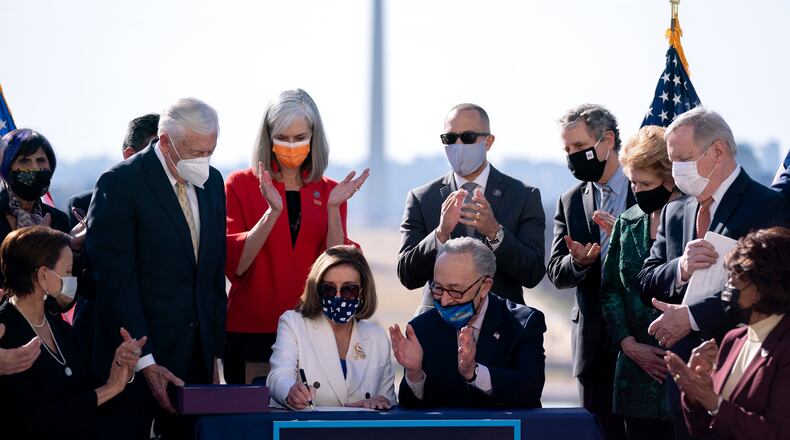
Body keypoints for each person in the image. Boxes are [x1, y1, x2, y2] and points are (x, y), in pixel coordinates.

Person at [636, 107, 790, 439]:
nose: (676, 170)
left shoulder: (767, 205)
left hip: (744, 374)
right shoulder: (676, 211)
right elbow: (645, 279)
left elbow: (770, 290)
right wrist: (681, 268)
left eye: (683, 159)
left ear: (717, 151)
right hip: (683, 379)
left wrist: (691, 318)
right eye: (671, 160)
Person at [87, 97, 227, 439]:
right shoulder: (120, 184)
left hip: (195, 369)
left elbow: (211, 279)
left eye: (210, 151)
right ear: (165, 142)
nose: (203, 161)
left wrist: (215, 358)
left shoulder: (213, 183)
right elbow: (115, 284)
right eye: (195, 152)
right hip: (134, 368)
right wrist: (146, 363)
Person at [224, 89, 368, 385]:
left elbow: (337, 267)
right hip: (250, 332)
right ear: (268, 136)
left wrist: (332, 209)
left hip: (310, 330)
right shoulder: (239, 185)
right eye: (283, 137)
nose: (292, 145)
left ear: (314, 137)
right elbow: (236, 265)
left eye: (300, 137)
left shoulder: (330, 192)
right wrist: (272, 212)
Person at [0, 226, 145, 439]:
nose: (72, 279)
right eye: (68, 271)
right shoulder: (5, 331)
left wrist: (122, 370)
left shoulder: (61, 329)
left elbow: (102, 402)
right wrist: (109, 390)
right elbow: (32, 420)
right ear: (43, 275)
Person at [397, 103, 545, 311]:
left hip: (502, 326)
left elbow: (533, 273)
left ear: (488, 141)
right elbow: (407, 275)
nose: (458, 145)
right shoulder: (422, 198)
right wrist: (440, 234)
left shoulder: (523, 196)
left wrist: (496, 233)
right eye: (449, 139)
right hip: (439, 325)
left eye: (467, 137)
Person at [547, 104, 633, 440]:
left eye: (580, 147)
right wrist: (580, 263)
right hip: (593, 346)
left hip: (643, 342)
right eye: (567, 150)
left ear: (607, 140)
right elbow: (556, 271)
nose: (572, 157)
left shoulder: (648, 189)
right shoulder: (569, 201)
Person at [664, 227, 790, 439]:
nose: (727, 286)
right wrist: (695, 393)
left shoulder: (785, 347)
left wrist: (713, 402)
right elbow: (703, 429)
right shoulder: (734, 339)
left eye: (735, 279)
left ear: (761, 288)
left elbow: (778, 433)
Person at [391, 237, 545, 408]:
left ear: (485, 286)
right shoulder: (421, 329)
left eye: (456, 291)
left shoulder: (523, 324)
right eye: (438, 288)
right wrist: (414, 373)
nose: (445, 301)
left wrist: (474, 373)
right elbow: (410, 408)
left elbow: (530, 390)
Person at [600, 126, 678, 439]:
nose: (636, 190)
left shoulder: (697, 217)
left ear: (670, 179)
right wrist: (628, 344)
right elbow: (611, 291)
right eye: (632, 182)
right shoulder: (628, 222)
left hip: (681, 373)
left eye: (645, 183)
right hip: (634, 379)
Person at [67, 113, 159, 352]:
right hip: (103, 332)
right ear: (129, 155)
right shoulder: (87, 203)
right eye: (154, 153)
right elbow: (89, 279)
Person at [267, 245, 396, 409]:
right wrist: (290, 392)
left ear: (362, 293)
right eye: (328, 289)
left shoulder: (377, 337)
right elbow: (278, 375)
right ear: (317, 290)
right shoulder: (293, 323)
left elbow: (389, 401)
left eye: (349, 290)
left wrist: (381, 402)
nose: (338, 297)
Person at [0, 129, 84, 296]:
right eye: (24, 161)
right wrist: (35, 245)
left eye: (40, 160)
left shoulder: (57, 220)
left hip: (44, 320)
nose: (34, 168)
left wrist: (72, 252)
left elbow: (65, 297)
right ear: (7, 166)